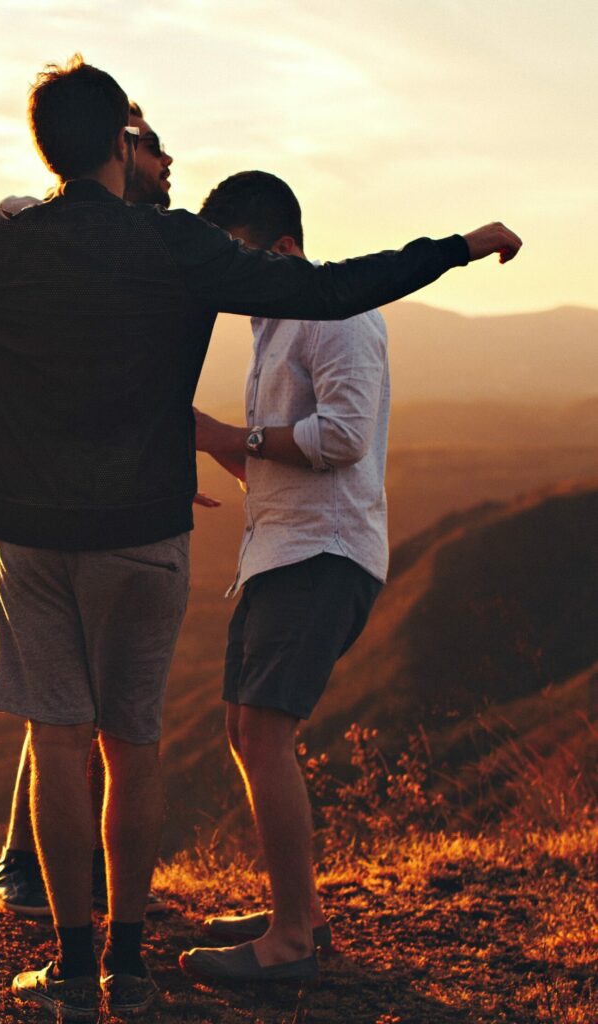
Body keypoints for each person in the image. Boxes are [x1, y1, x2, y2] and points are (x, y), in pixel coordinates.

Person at [0, 54, 519, 1020]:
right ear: (122, 148)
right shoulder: (174, 247)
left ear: (49, 145)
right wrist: (455, 247)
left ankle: (74, 969)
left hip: (35, 535)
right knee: (135, 747)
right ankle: (129, 963)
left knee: (58, 742)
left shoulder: (0, 241)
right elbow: (334, 288)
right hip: (147, 531)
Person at [0, 100, 176, 921]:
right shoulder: (30, 232)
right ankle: (33, 872)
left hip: (95, 503)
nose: (171, 165)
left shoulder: (128, 251)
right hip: (44, 510)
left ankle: (58, 888)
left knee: (75, 707)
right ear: (116, 149)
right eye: (154, 146)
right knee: (67, 709)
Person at [177, 170, 399, 985]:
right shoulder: (274, 324)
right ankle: (295, 911)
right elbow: (277, 456)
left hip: (324, 554)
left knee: (265, 734)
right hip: (280, 550)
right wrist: (208, 443)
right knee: (245, 730)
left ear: (281, 247)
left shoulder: (334, 314)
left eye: (233, 256)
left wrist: (232, 432)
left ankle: (290, 945)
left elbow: (340, 437)